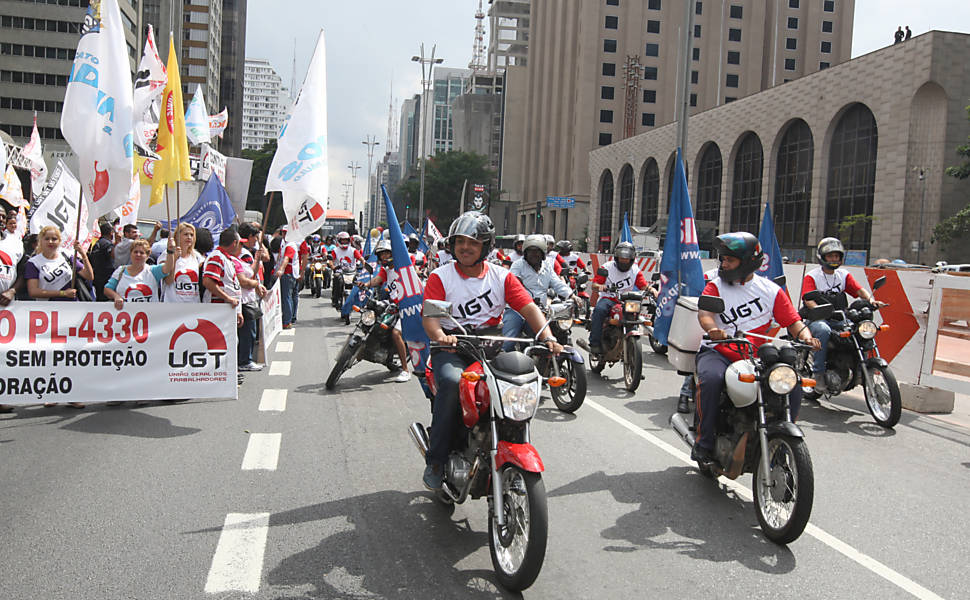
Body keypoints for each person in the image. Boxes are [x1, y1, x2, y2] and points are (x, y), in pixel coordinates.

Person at [421, 211, 563, 490]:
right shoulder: (441, 276)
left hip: (491, 346)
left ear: (485, 246)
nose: (465, 247)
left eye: (473, 243)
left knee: (520, 381)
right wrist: (441, 336)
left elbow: (529, 308)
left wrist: (548, 337)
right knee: (452, 383)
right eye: (460, 242)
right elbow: (431, 319)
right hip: (453, 347)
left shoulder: (502, 277)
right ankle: (436, 460)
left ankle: (509, 441)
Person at [693, 232, 820, 465]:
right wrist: (713, 330)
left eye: (729, 260)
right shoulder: (715, 286)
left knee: (793, 383)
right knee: (711, 380)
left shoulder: (770, 290)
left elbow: (793, 321)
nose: (724, 264)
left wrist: (807, 336)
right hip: (718, 351)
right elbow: (705, 314)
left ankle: (783, 437)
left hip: (754, 356)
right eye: (723, 259)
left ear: (748, 261)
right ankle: (704, 442)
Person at [801, 237, 885, 393]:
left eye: (836, 256)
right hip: (818, 318)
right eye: (830, 256)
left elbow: (859, 290)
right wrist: (819, 310)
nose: (834, 259)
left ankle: (860, 367)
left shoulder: (843, 275)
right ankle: (818, 374)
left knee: (859, 330)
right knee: (823, 331)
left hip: (839, 318)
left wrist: (871, 300)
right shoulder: (813, 276)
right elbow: (808, 299)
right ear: (822, 257)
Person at [25, 226, 95, 409]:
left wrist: (82, 255)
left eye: (54, 239)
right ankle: (51, 392)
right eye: (47, 239)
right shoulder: (34, 262)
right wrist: (62, 293)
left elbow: (89, 275)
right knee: (51, 354)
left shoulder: (67, 256)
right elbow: (33, 291)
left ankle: (73, 394)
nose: (51, 242)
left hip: (72, 313)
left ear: (59, 241)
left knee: (71, 354)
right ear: (41, 240)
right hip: (48, 315)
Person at [502, 234, 576, 351]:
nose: (534, 254)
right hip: (517, 310)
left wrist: (572, 295)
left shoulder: (547, 266)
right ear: (525, 253)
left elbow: (557, 282)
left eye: (537, 251)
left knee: (554, 334)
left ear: (543, 253)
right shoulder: (518, 265)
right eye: (530, 251)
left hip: (540, 310)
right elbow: (512, 283)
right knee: (508, 341)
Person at [360, 239, 413, 382]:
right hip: (392, 304)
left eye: (386, 253)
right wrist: (365, 284)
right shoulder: (385, 270)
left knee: (396, 333)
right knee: (369, 312)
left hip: (405, 306)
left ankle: (406, 370)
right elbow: (377, 280)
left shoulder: (403, 267)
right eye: (381, 255)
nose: (384, 257)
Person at [587, 241, 648, 355]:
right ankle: (594, 343)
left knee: (634, 316)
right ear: (616, 257)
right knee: (599, 310)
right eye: (622, 258)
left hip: (626, 301)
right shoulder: (606, 268)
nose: (624, 261)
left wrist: (652, 290)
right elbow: (594, 285)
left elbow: (643, 285)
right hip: (609, 299)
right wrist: (603, 288)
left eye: (627, 259)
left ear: (632, 259)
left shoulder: (635, 270)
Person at [104, 238, 175, 306]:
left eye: (141, 253)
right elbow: (107, 289)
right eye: (135, 252)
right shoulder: (120, 271)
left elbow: (168, 267)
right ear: (131, 253)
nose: (138, 255)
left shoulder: (152, 271)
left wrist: (170, 252)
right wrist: (116, 296)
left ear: (147, 256)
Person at [236, 223, 269, 371]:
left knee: (250, 331)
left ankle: (245, 359)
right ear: (249, 237)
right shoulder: (244, 254)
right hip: (245, 298)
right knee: (248, 331)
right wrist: (256, 285)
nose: (256, 240)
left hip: (248, 296)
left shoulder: (248, 252)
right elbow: (247, 275)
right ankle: (244, 360)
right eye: (255, 237)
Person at [0, 211, 23, 414]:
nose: (0, 219)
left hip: (6, 305)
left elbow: (23, 272)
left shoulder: (15, 242)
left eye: (2, 216)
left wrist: (12, 290)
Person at [201, 226, 244, 329]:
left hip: (227, 310)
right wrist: (228, 298)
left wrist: (238, 310)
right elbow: (207, 281)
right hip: (219, 310)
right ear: (234, 243)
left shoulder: (225, 258)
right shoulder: (217, 257)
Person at [162, 222, 204, 304]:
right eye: (186, 234)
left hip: (193, 305)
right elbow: (168, 281)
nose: (189, 237)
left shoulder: (197, 256)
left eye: (191, 235)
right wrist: (174, 259)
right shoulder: (167, 254)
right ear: (177, 236)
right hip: (173, 304)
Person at [274, 228, 301, 328]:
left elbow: (286, 259)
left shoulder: (290, 245)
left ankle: (287, 321)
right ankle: (289, 318)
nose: (285, 234)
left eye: (287, 232)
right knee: (289, 297)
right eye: (283, 232)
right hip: (290, 274)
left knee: (286, 297)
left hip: (288, 274)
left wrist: (281, 270)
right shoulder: (285, 244)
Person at [88, 222, 116, 300]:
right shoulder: (107, 244)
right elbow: (114, 256)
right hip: (106, 278)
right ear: (111, 233)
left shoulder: (97, 243)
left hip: (97, 277)